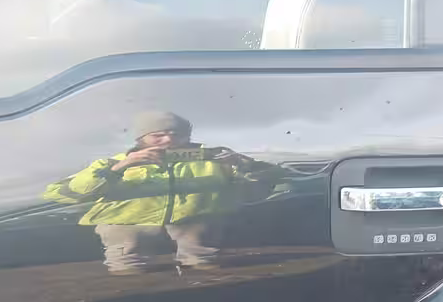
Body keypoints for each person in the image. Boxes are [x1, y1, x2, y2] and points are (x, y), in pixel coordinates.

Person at [43, 111, 276, 273]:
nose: (168, 140)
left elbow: (273, 180)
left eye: (177, 135)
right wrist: (119, 168)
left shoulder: (216, 159)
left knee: (206, 265)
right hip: (126, 225)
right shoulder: (113, 162)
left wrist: (243, 164)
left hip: (197, 222)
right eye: (158, 135)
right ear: (141, 138)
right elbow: (61, 193)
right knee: (126, 269)